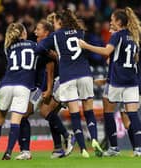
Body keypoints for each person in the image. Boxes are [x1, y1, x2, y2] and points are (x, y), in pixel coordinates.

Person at [36, 9, 103, 158]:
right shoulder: (80, 32)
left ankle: (83, 150)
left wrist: (52, 53)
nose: (53, 25)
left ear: (60, 22)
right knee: (89, 112)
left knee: (75, 114)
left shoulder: (55, 35)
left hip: (68, 77)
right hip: (85, 74)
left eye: (54, 22)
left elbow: (39, 48)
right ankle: (94, 139)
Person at [79, 7, 141, 156]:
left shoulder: (117, 35)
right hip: (132, 81)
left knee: (108, 111)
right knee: (133, 114)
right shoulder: (134, 37)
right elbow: (134, 60)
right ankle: (138, 149)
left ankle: (114, 148)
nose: (110, 23)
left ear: (119, 22)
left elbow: (106, 52)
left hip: (117, 82)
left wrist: (86, 46)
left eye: (112, 20)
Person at [15, 19, 75, 160]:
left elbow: (50, 68)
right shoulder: (44, 44)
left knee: (38, 112)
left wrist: (48, 89)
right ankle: (58, 148)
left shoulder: (47, 46)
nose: (35, 32)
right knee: (49, 113)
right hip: (51, 83)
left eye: (38, 29)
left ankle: (66, 136)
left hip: (54, 83)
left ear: (46, 32)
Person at [0, 22, 38, 160]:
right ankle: (8, 152)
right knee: (15, 122)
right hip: (23, 86)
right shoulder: (34, 46)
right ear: (23, 33)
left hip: (6, 85)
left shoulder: (8, 48)